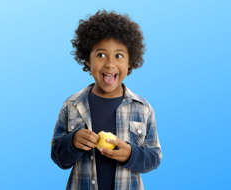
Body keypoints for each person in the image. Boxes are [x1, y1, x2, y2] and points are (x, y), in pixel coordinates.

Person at [51, 9, 162, 190]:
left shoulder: (143, 108)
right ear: (87, 59)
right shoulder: (71, 105)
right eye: (101, 55)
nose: (110, 63)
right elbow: (58, 158)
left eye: (119, 56)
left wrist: (131, 155)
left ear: (130, 61)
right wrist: (73, 142)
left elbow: (154, 158)